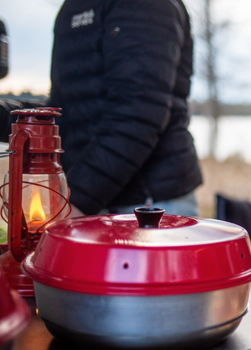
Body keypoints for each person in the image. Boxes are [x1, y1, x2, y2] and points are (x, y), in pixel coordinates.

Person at [0, 0, 202, 217]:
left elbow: (137, 115)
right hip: (93, 200)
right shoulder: (73, 7)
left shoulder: (144, 5)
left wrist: (75, 201)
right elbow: (67, 111)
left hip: (147, 208)